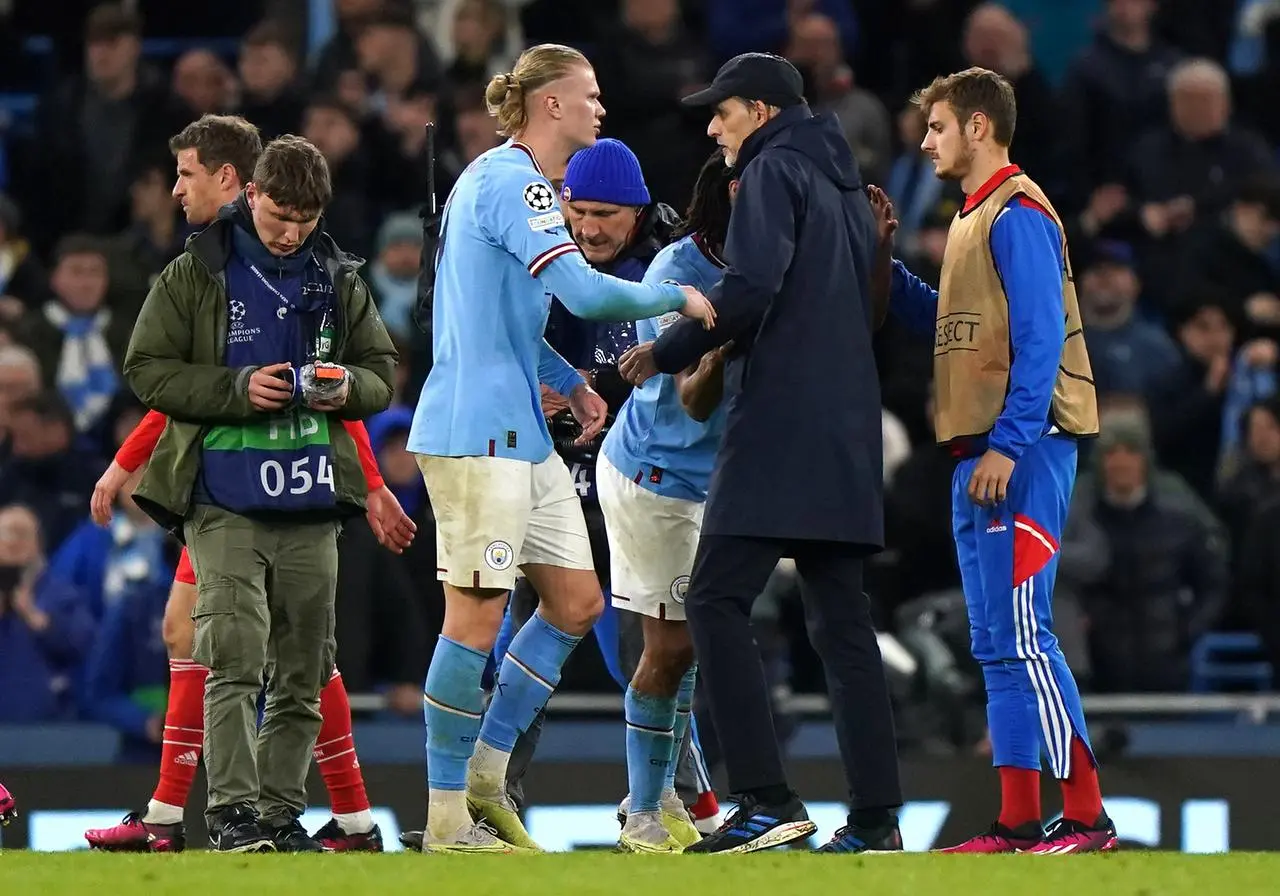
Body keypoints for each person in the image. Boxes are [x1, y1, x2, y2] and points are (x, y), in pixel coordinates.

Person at [407, 43, 714, 853]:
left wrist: (572, 382)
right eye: (590, 95)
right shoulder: (512, 183)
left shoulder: (515, 185)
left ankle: (484, 766)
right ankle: (445, 821)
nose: (601, 108)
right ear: (552, 106)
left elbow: (506, 317)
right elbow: (580, 290)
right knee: (472, 619)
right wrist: (675, 296)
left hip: (523, 432)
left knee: (575, 604)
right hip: (476, 433)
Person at [85, 114, 412, 854]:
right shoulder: (195, 273)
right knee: (230, 657)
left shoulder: (336, 277)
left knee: (301, 668)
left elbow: (379, 376)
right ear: (252, 192)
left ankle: (273, 814)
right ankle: (228, 813)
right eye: (277, 215)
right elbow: (147, 371)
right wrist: (238, 389)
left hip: (310, 501)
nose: (290, 233)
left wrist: (342, 387)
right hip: (223, 500)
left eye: (305, 220)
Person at [618, 51, 903, 855]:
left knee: (713, 600)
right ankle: (877, 819)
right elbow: (868, 315)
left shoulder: (774, 174)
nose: (714, 126)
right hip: (847, 433)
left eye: (725, 111)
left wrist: (665, 351)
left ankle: (765, 799)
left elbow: (748, 290)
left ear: (765, 113)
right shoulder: (847, 189)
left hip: (779, 424)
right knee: (845, 629)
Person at [880, 66, 1115, 853]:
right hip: (978, 452)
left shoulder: (1017, 213)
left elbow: (1043, 341)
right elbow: (946, 326)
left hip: (1022, 451)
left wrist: (1010, 446)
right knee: (993, 642)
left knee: (1024, 632)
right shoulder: (974, 219)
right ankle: (1017, 820)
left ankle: (1086, 815)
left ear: (979, 127)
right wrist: (882, 264)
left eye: (938, 127)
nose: (927, 141)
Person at [496, 138, 718, 830]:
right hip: (553, 484)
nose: (588, 227)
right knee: (513, 648)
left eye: (605, 214)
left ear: (638, 212)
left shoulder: (665, 270)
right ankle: (491, 804)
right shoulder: (544, 263)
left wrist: (588, 391)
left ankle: (677, 803)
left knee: (652, 658)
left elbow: (672, 393)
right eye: (578, 210)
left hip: (633, 489)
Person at [604, 150, 735, 853]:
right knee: (671, 646)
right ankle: (644, 812)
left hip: (706, 483)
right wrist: (727, 335)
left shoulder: (757, 269)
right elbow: (691, 398)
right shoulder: (674, 277)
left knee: (687, 649)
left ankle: (665, 802)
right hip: (654, 477)